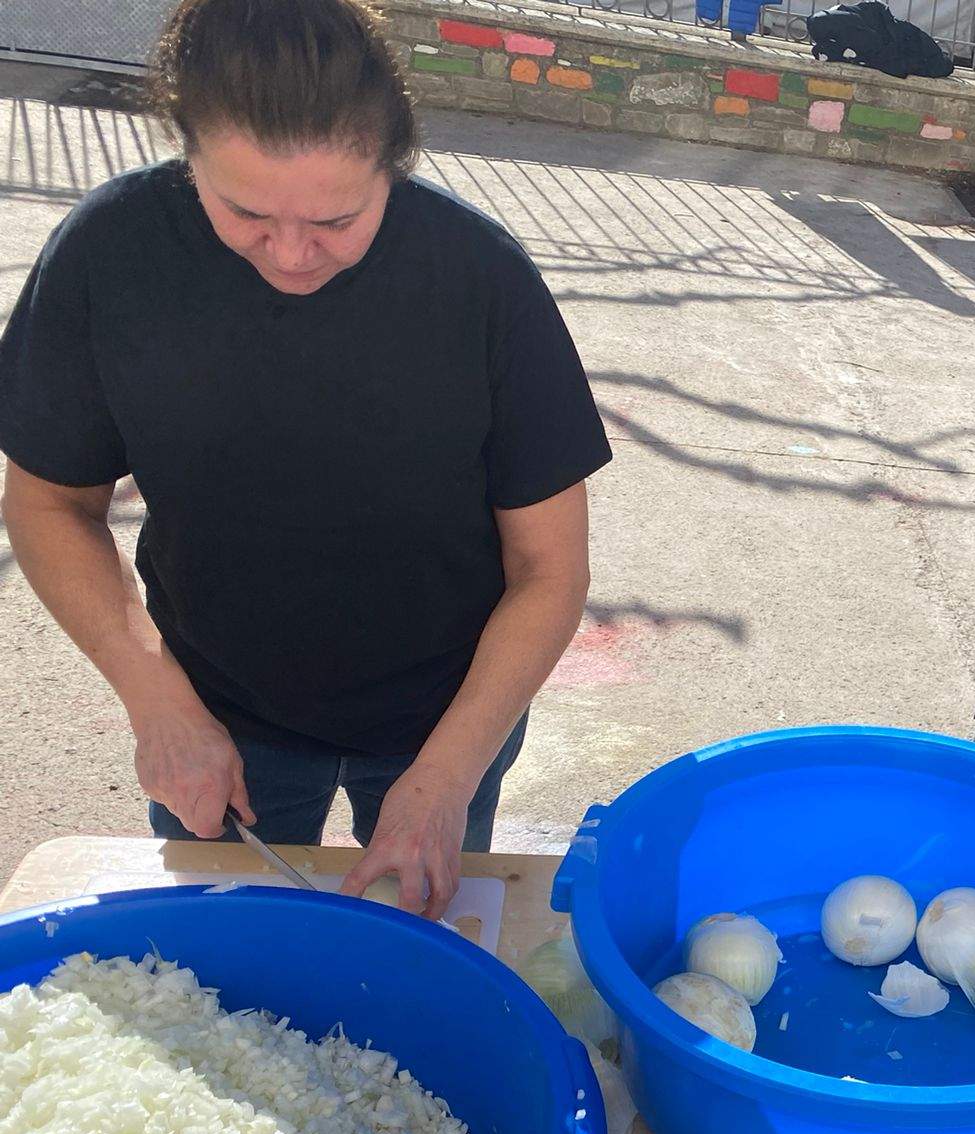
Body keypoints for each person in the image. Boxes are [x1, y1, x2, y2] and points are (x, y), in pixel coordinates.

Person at [0, 0, 609, 919]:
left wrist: (445, 781)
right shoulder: (109, 252)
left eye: (337, 218)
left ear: (393, 165)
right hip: (213, 700)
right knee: (221, 959)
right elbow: (51, 503)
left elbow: (549, 570)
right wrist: (154, 697)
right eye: (243, 212)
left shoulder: (480, 278)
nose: (290, 254)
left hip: (446, 713)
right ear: (187, 155)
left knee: (420, 949)